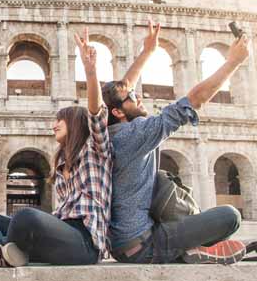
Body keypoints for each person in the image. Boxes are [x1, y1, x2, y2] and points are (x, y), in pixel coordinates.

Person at [103, 22, 249, 264]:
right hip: (144, 246)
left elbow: (119, 95)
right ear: (118, 112)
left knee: (161, 180)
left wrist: (147, 52)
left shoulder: (109, 132)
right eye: (132, 96)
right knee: (230, 217)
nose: (138, 96)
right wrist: (233, 61)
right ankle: (191, 250)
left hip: (122, 245)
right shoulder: (136, 133)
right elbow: (194, 100)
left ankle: (192, 248)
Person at [0, 29, 112, 266]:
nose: (54, 125)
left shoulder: (96, 150)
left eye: (59, 120)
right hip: (59, 234)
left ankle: (1, 248)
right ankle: (7, 250)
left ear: (75, 123)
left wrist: (90, 71)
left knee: (25, 216)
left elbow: (96, 113)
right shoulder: (63, 160)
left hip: (84, 243)